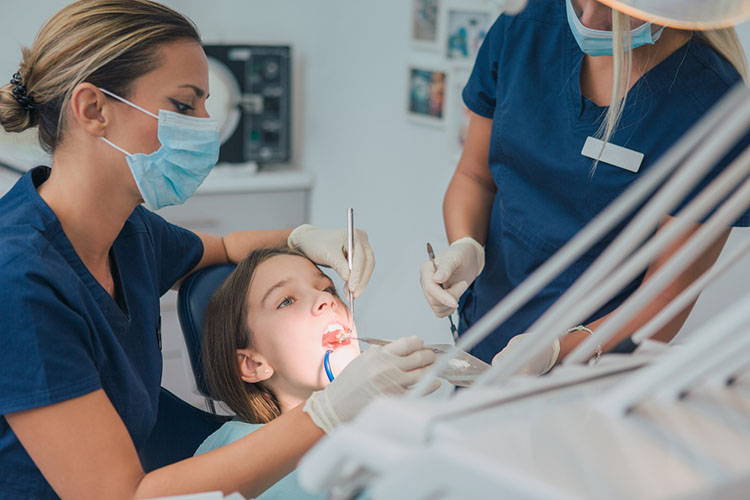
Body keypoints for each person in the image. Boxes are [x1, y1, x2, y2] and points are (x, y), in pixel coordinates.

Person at [0, 1, 433, 498]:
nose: (206, 127)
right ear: (94, 109)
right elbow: (118, 495)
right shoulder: (19, 281)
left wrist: (304, 238)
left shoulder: (127, 233)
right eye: (185, 106)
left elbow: (224, 246)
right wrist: (327, 413)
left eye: (206, 105)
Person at [419, 0, 750, 370]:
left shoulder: (713, 107)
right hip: (480, 336)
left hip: (588, 375)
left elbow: (664, 299)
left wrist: (560, 350)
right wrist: (465, 246)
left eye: (614, 6)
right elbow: (474, 177)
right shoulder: (524, 29)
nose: (588, 17)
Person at [195, 247, 437, 499]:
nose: (326, 300)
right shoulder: (232, 451)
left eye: (327, 289)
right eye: (286, 301)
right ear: (252, 364)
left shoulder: (389, 427)